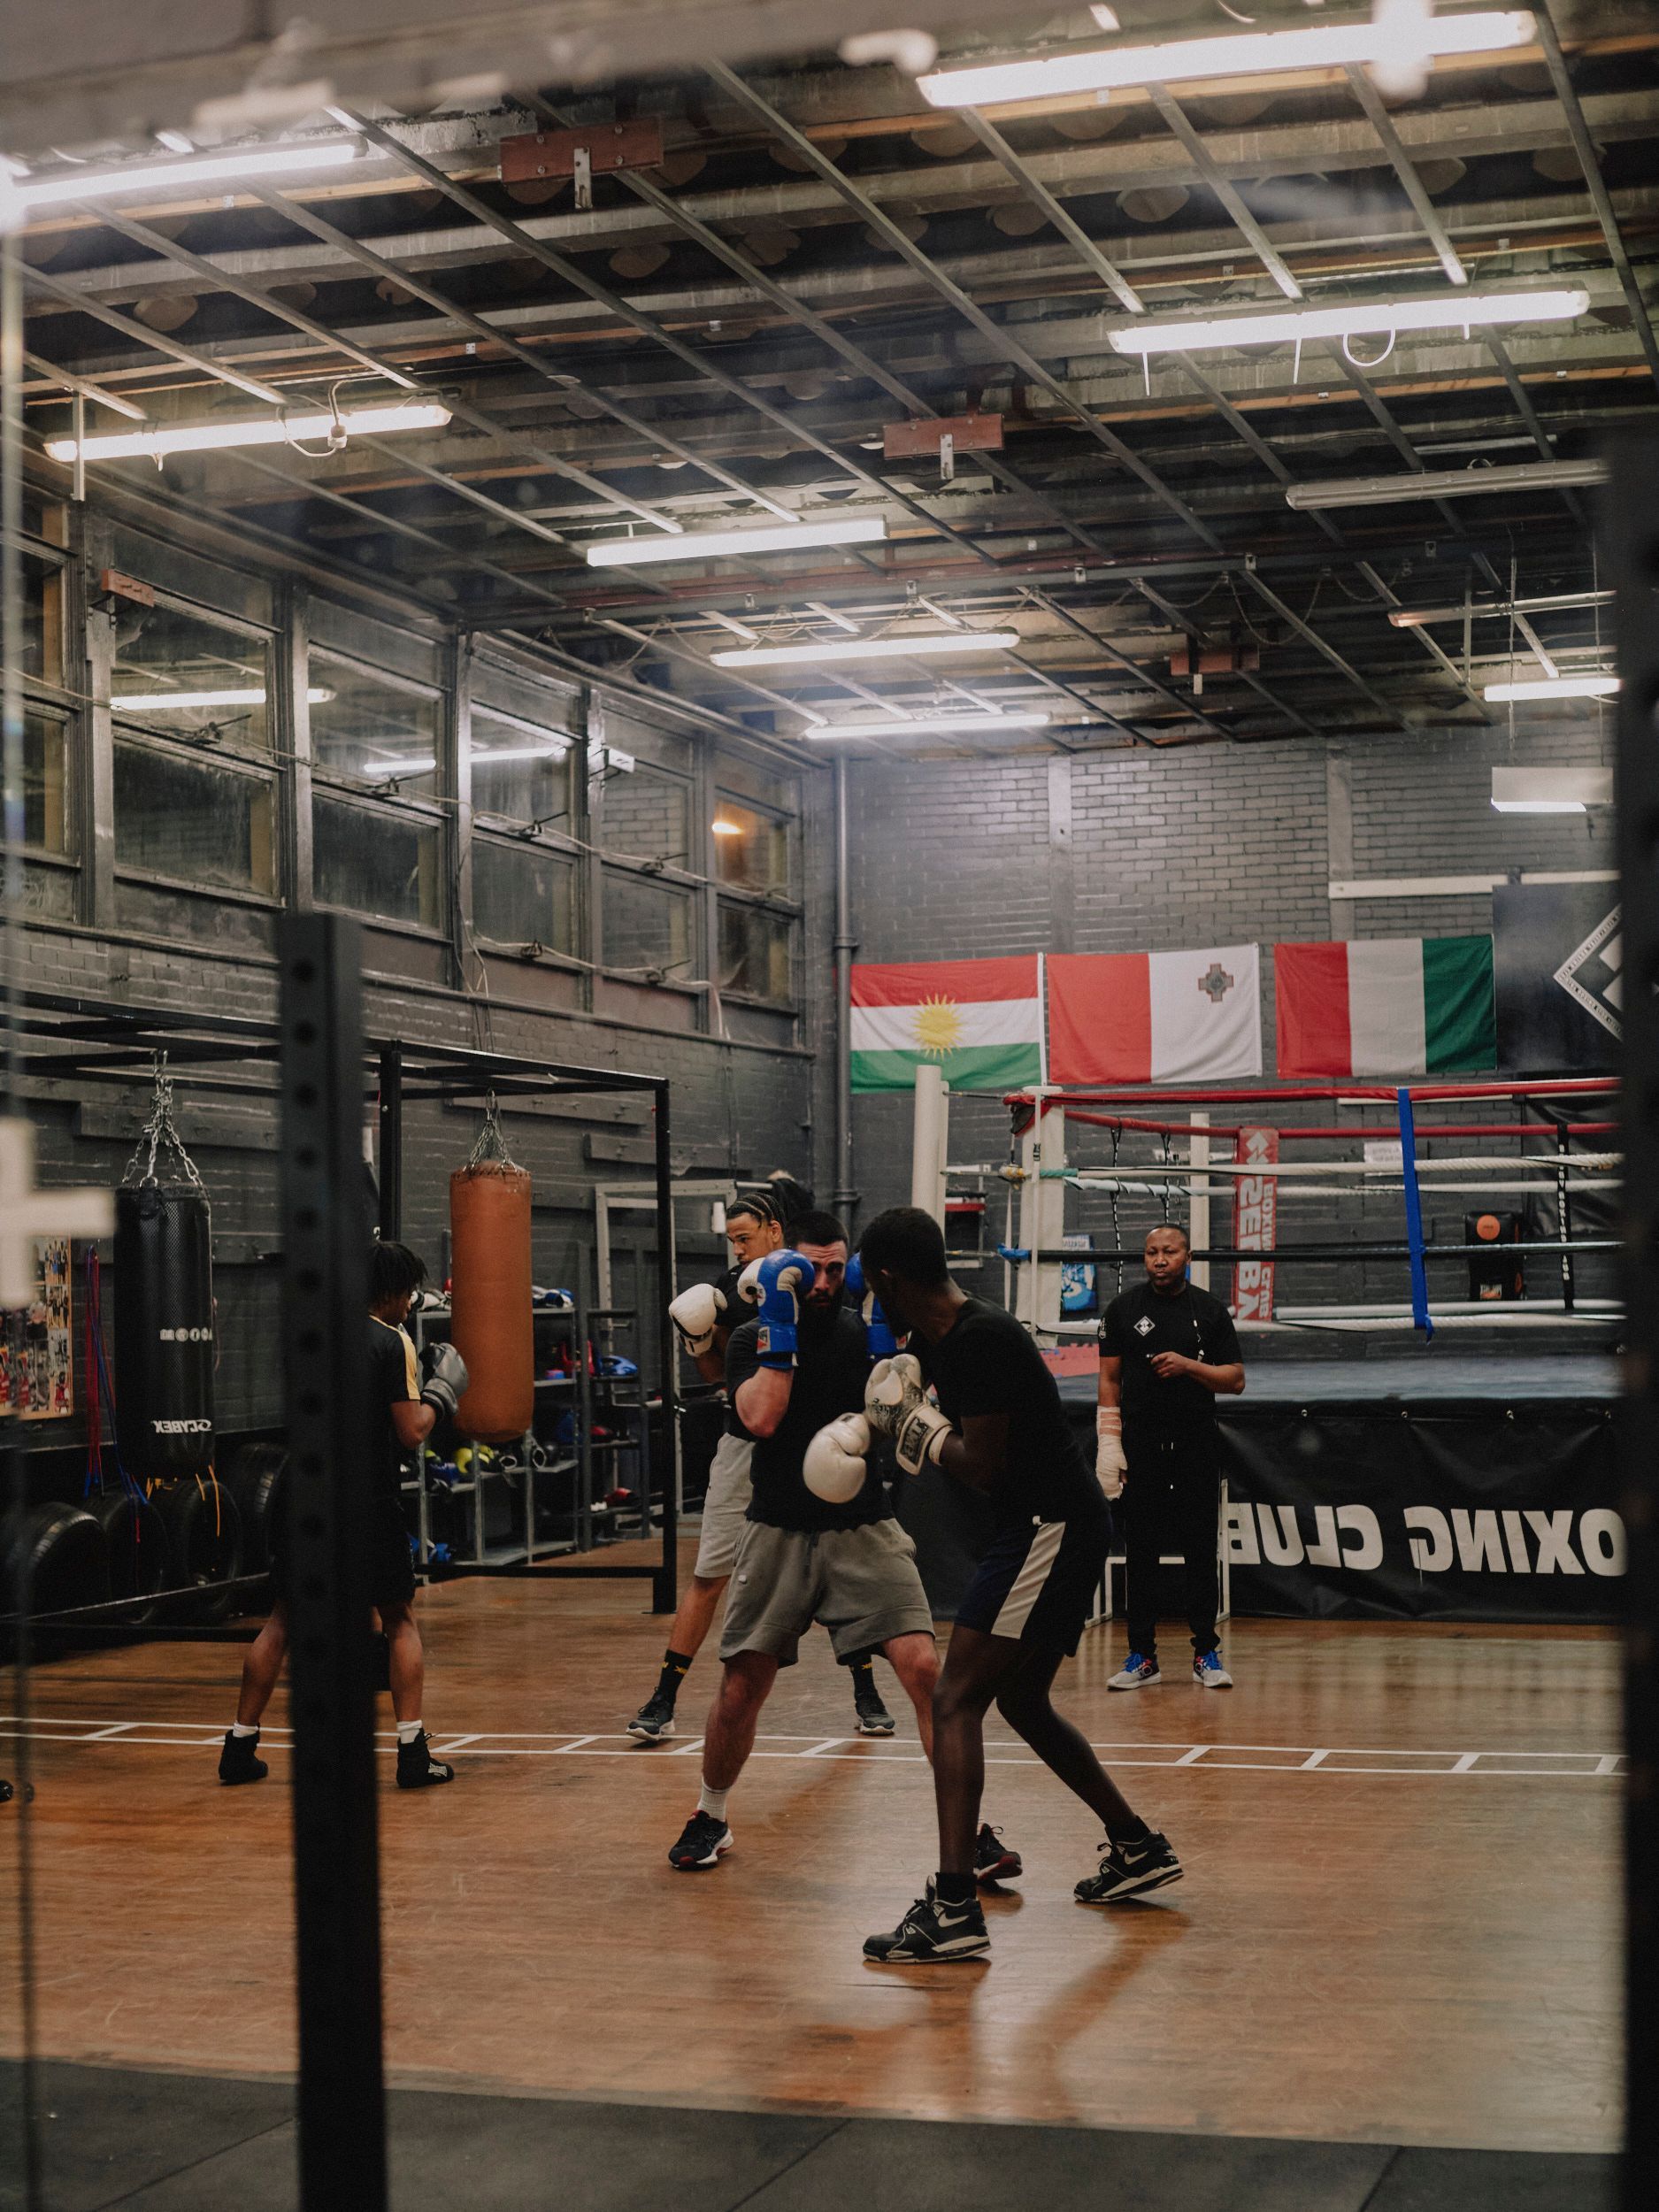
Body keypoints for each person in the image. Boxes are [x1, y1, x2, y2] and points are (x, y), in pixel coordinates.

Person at [856, 1207, 1180, 1964]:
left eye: (870, 1284)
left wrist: (918, 1429)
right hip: (1041, 1522)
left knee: (955, 1697)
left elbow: (980, 1464)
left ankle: (953, 1905)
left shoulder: (979, 1339)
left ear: (886, 1278)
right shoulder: (940, 1342)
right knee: (1019, 1699)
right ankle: (1136, 1846)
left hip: (1048, 1525)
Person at [666, 1211, 1018, 1887]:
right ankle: (710, 1813)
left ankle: (969, 1834)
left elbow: (898, 1414)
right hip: (775, 1530)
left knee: (922, 1672)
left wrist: (868, 1429)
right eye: (809, 1269)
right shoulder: (747, 1339)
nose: (822, 1282)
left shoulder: (866, 1337)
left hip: (863, 1526)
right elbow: (761, 1417)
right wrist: (778, 1323)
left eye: (835, 1269)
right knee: (742, 1687)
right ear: (780, 1269)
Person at [629, 1193, 896, 1743]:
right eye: (732, 1239)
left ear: (776, 1231)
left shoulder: (827, 1283)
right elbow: (718, 1375)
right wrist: (698, 1337)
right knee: (710, 1573)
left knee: (834, 1562)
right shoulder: (729, 1290)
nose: (738, 1247)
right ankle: (663, 1698)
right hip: (747, 1441)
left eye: (745, 1236)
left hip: (819, 1439)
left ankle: (866, 1691)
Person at [217, 1239, 463, 1792]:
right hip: (365, 1501)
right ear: (393, 1291)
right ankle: (413, 1754)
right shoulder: (390, 1339)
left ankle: (238, 1747)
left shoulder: (311, 1334)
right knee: (399, 1619)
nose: (408, 1305)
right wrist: (441, 1394)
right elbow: (411, 1431)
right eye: (407, 1294)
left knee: (282, 1619)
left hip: (298, 1493)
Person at [1100, 1222, 1246, 1692]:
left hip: (1195, 1444)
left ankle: (1206, 1652)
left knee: (1200, 1549)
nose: (1159, 1260)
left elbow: (1236, 1380)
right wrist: (1109, 1442)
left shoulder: (1208, 1310)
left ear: (1188, 1256)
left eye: (1169, 1251)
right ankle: (1142, 1655)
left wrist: (1188, 1366)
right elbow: (1107, 1380)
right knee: (1140, 1550)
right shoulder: (1123, 1310)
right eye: (1151, 1253)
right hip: (1141, 1446)